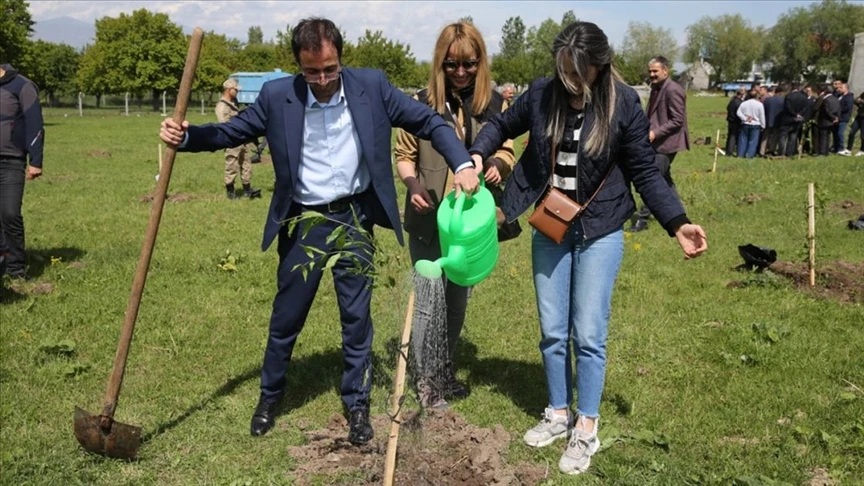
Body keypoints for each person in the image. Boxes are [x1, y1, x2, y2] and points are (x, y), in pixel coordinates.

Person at [159, 17, 480, 445]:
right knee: (287, 316)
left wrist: (461, 162)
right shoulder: (277, 96)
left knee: (356, 319)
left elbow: (430, 123)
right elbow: (230, 131)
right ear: (298, 65)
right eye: (312, 72)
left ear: (340, 59)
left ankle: (358, 404)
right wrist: (185, 138)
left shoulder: (372, 86)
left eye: (330, 69)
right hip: (304, 221)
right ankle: (270, 397)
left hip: (354, 217)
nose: (323, 79)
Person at [469, 21, 707, 475]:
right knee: (553, 330)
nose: (569, 79)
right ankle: (559, 413)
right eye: (563, 68)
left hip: (600, 230)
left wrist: (676, 223)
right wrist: (479, 152)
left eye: (579, 71)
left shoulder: (624, 105)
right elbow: (501, 122)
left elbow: (646, 171)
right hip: (551, 229)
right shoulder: (541, 94)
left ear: (600, 66)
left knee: (589, 334)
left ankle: (587, 427)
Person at [394, 21, 515, 409]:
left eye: (469, 64)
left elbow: (509, 148)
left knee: (457, 302)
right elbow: (403, 156)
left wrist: (498, 161)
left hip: (467, 229)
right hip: (430, 221)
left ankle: (443, 370)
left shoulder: (495, 104)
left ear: (481, 62)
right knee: (429, 301)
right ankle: (425, 381)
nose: (460, 73)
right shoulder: (418, 104)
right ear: (439, 63)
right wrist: (413, 188)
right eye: (451, 65)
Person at [627, 55, 689, 233]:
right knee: (666, 180)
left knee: (652, 179)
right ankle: (678, 214)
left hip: (667, 144)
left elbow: (677, 120)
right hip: (655, 142)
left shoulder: (673, 90)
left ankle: (643, 219)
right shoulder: (656, 87)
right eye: (650, 71)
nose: (652, 74)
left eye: (655, 71)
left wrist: (655, 132)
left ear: (665, 70)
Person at [0, 63, 44, 281]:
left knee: (9, 213)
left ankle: (15, 268)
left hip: (11, 161)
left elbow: (34, 123)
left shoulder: (22, 85)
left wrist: (35, 161)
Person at [215, 78, 262, 199]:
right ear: (229, 90)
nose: (238, 92)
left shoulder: (234, 103)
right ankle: (231, 192)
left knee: (246, 164)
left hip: (242, 139)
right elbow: (224, 125)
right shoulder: (222, 106)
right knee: (231, 166)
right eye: (236, 90)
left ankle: (247, 189)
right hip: (232, 141)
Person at [778, 83, 809, 157]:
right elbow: (805, 108)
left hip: (787, 119)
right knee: (793, 137)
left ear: (792, 88)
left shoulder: (788, 96)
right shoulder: (804, 97)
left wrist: (794, 114)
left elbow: (787, 107)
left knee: (783, 137)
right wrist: (799, 114)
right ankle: (790, 153)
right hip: (797, 120)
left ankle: (781, 152)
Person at [737, 91, 765, 159]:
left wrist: (745, 118)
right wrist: (763, 125)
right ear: (756, 96)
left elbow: (738, 112)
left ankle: (740, 154)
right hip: (756, 124)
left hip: (746, 123)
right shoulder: (759, 104)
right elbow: (762, 116)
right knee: (753, 141)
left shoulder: (744, 103)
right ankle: (750, 155)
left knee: (743, 140)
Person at [815, 84, 840, 157]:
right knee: (828, 136)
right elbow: (838, 109)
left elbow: (826, 111)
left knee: (823, 136)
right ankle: (826, 151)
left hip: (825, 120)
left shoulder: (825, 100)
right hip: (832, 121)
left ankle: (822, 152)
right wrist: (836, 118)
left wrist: (832, 117)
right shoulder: (836, 99)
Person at [725, 87, 746, 156]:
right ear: (742, 94)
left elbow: (727, 108)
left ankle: (727, 149)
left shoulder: (732, 100)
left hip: (730, 120)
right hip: (736, 121)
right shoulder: (740, 103)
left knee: (730, 135)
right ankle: (730, 152)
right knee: (733, 137)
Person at [835, 81, 854, 155]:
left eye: (841, 87)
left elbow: (847, 107)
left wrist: (839, 110)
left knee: (840, 133)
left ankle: (842, 148)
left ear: (846, 88)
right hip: (839, 116)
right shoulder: (841, 96)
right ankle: (837, 147)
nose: (840, 89)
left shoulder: (849, 97)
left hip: (844, 117)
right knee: (837, 133)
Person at [844, 91, 864, 156]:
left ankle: (862, 150)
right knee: (852, 132)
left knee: (863, 135)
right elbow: (856, 100)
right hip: (859, 116)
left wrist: (861, 101)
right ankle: (848, 149)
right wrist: (860, 101)